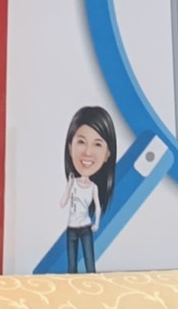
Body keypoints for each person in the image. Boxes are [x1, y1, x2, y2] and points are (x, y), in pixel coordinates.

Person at [59, 105, 115, 274]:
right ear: (70, 147)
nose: (88, 152)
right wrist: (69, 187)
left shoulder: (94, 188)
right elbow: (62, 203)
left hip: (86, 228)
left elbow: (97, 207)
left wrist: (96, 223)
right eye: (81, 142)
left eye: (97, 144)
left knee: (90, 268)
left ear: (107, 153)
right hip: (71, 228)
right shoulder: (72, 182)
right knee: (71, 269)